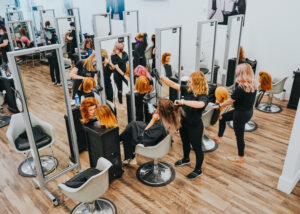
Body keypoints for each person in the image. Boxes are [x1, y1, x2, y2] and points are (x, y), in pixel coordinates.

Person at [161, 71, 209, 179]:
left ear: (197, 82)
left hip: (195, 126)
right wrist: (161, 77)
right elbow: (173, 85)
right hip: (184, 123)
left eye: (191, 80)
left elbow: (200, 104)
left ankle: (198, 169)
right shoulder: (188, 89)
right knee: (185, 143)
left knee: (197, 148)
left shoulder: (203, 96)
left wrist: (183, 102)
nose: (189, 81)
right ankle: (186, 159)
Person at [213, 63, 257, 163]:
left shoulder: (241, 87)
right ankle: (219, 137)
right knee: (222, 117)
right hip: (248, 112)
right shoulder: (253, 84)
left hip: (240, 114)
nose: (236, 73)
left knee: (239, 136)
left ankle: (240, 157)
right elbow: (241, 97)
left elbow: (230, 101)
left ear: (242, 73)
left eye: (238, 72)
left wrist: (219, 105)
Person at [120, 98, 183, 163]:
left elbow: (143, 135)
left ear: (162, 111)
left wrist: (153, 120)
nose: (157, 109)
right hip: (156, 136)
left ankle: (120, 141)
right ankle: (121, 139)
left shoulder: (160, 126)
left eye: (158, 108)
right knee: (133, 125)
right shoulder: (169, 118)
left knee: (130, 129)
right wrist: (159, 115)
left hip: (152, 143)